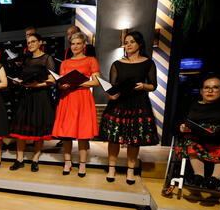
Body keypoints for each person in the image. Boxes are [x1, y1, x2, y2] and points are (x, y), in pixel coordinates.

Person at [99, 31, 159, 184]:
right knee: (114, 138)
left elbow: (153, 86)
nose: (129, 45)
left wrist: (144, 85)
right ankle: (111, 168)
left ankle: (130, 170)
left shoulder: (148, 63)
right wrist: (111, 95)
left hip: (138, 102)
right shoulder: (117, 64)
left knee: (134, 139)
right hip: (119, 103)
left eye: (132, 41)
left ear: (139, 44)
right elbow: (113, 87)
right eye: (126, 42)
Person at [175, 75, 220, 191]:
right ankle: (198, 176)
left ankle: (215, 178)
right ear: (201, 91)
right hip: (198, 138)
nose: (210, 91)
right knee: (189, 141)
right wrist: (182, 127)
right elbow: (178, 123)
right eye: (206, 87)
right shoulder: (192, 105)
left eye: (215, 87)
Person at [52, 32, 100, 177]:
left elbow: (97, 82)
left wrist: (79, 82)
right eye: (73, 44)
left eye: (78, 43)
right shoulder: (65, 63)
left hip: (83, 98)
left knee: (82, 132)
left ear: (84, 45)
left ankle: (82, 164)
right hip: (67, 97)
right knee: (67, 132)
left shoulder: (91, 60)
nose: (75, 46)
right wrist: (62, 85)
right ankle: (67, 161)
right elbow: (60, 83)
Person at [9, 33, 56, 172]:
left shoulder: (47, 58)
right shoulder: (27, 60)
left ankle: (35, 159)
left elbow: (52, 80)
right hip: (26, 96)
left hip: (41, 97)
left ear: (40, 42)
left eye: (33, 41)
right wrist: (17, 80)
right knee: (21, 129)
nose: (30, 44)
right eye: (28, 42)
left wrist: (37, 85)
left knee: (38, 129)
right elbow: (24, 76)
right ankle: (19, 159)